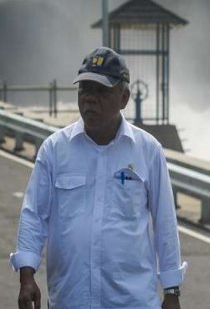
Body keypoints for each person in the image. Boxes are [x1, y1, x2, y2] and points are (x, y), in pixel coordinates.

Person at [11, 47, 186, 309]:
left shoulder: (148, 150)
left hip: (132, 301)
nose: (90, 98)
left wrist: (172, 292)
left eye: (101, 90)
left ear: (124, 97)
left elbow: (165, 224)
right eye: (84, 89)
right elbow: (34, 214)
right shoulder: (54, 150)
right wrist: (27, 278)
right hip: (70, 300)